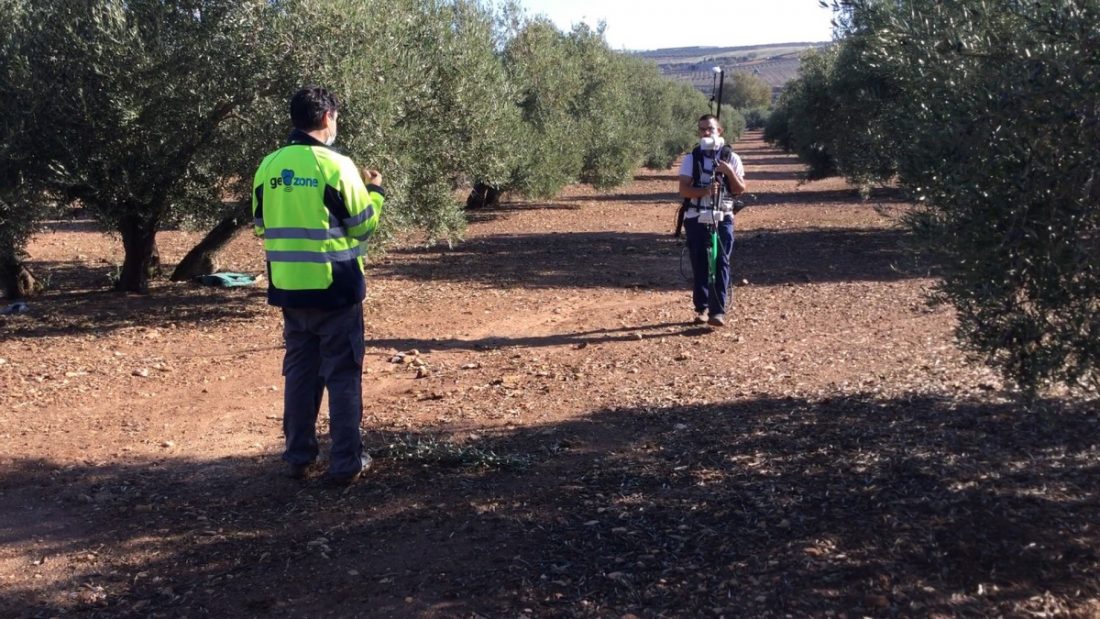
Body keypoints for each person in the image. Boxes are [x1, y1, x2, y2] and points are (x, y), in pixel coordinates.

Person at [251, 86, 384, 485]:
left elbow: (261, 226)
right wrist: (375, 191)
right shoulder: (336, 165)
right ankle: (346, 463)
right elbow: (364, 224)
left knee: (301, 373)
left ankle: (298, 457)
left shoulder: (268, 166)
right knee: (343, 373)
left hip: (289, 289)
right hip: (335, 288)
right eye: (336, 118)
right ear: (327, 117)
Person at [678, 114, 746, 328]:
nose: (706, 133)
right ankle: (702, 309)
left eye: (710, 129)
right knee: (699, 262)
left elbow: (739, 189)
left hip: (723, 216)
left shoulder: (731, 158)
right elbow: (684, 189)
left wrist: (728, 172)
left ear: (720, 131)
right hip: (696, 216)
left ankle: (718, 311)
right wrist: (705, 191)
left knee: (721, 262)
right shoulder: (692, 158)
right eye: (702, 129)